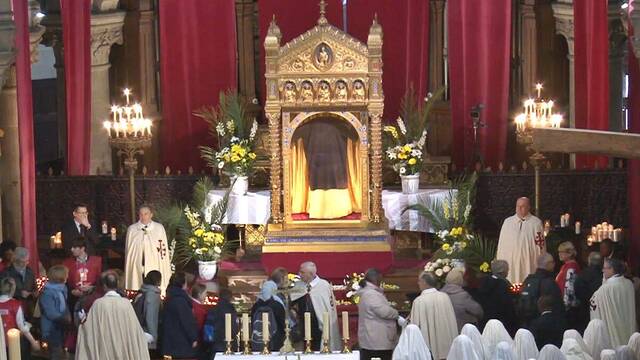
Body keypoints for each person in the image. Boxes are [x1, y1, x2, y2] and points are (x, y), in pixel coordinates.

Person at [76, 270, 150, 359]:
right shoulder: (126, 303)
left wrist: (83, 319)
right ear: (117, 284)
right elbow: (135, 328)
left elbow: (90, 330)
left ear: (104, 286)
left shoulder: (98, 304)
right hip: (123, 345)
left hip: (105, 345)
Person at [290, 261, 341, 351]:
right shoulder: (298, 285)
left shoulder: (324, 286)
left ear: (311, 274)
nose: (299, 274)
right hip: (303, 327)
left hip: (319, 327)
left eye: (302, 272)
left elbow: (329, 307)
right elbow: (291, 302)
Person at [409, 271, 457, 360]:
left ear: (424, 282)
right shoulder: (444, 297)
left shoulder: (419, 301)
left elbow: (414, 327)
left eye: (419, 281)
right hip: (447, 348)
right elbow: (452, 322)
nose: (418, 283)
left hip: (429, 350)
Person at [496, 197, 544, 284]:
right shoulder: (508, 222)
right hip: (511, 262)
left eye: (522, 206)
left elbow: (540, 246)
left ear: (529, 207)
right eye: (517, 206)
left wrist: (541, 263)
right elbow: (502, 245)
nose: (519, 208)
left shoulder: (536, 223)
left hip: (528, 262)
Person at [125, 205, 172, 293]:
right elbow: (130, 252)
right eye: (141, 214)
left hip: (154, 264)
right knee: (137, 284)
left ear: (151, 215)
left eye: (146, 214)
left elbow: (163, 251)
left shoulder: (159, 228)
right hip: (137, 265)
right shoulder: (132, 229)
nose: (143, 217)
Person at [590, 258, 637, 347]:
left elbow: (593, 304)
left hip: (613, 334)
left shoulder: (605, 289)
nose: (602, 270)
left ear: (612, 269)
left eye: (604, 268)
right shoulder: (629, 284)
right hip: (628, 329)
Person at [357, 268, 401, 360]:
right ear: (376, 279)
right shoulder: (371, 294)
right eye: (381, 278)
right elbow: (383, 312)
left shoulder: (371, 292)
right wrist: (396, 313)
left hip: (376, 337)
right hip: (376, 340)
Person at [161, 272, 199, 359]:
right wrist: (193, 338)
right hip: (180, 343)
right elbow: (187, 321)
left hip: (172, 342)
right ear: (182, 283)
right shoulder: (180, 300)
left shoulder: (171, 296)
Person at [519, 252, 563, 327]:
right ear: (548, 264)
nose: (554, 264)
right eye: (553, 262)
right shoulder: (549, 282)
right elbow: (557, 305)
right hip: (546, 325)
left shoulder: (528, 280)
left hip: (527, 323)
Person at [0, 277, 39, 357]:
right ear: (13, 289)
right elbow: (22, 327)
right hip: (12, 341)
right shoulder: (15, 304)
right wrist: (33, 342)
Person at [475, 260, 517, 334]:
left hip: (485, 322)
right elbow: (508, 306)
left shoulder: (483, 282)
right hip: (501, 324)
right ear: (503, 271)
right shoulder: (504, 285)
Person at [39, 265, 71, 360]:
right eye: (66, 275)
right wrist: (65, 319)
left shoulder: (62, 288)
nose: (68, 276)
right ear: (60, 277)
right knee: (56, 353)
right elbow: (50, 313)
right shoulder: (47, 292)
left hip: (61, 326)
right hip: (52, 328)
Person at [62, 238, 102, 306]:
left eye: (74, 247)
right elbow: (63, 282)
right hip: (74, 299)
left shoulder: (97, 261)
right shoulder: (66, 263)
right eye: (71, 247)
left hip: (93, 298)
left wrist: (92, 288)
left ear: (82, 248)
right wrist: (71, 291)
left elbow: (102, 280)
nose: (72, 249)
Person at [250, 281, 285, 351]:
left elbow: (253, 321)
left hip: (258, 339)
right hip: (275, 338)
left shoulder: (256, 306)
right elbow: (282, 323)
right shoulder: (277, 304)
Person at [2, 247, 36, 316]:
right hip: (12, 310)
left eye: (27, 261)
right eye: (22, 262)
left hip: (28, 309)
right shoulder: (6, 273)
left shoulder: (30, 272)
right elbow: (2, 291)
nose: (25, 264)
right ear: (15, 260)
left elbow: (34, 287)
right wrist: (19, 293)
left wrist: (34, 293)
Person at [204, 288, 238, 356]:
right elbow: (235, 328)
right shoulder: (231, 310)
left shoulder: (213, 310)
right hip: (230, 343)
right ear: (230, 297)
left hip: (215, 344)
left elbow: (208, 328)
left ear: (219, 296)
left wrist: (208, 344)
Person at [575, 252, 603, 333]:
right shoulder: (604, 275)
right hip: (601, 307)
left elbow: (577, 291)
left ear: (589, 261)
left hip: (585, 308)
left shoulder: (582, 274)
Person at [135, 270, 162, 352]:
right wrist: (154, 337)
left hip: (139, 331)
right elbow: (151, 318)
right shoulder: (152, 295)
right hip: (148, 335)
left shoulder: (142, 292)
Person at [556, 242, 580, 317]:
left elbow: (569, 288)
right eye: (559, 252)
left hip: (567, 307)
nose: (559, 254)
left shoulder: (571, 267)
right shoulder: (565, 266)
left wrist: (565, 306)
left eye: (561, 252)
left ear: (569, 253)